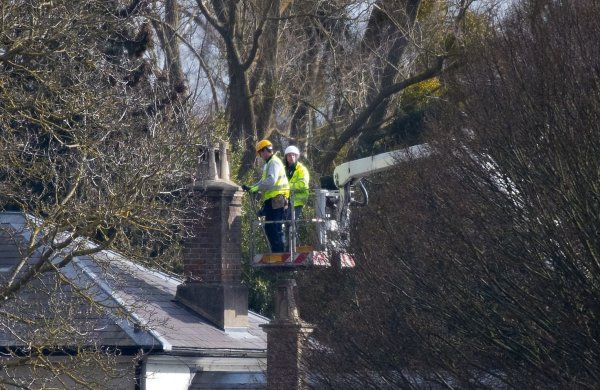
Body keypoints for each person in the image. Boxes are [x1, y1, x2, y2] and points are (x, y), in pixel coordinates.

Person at [242, 139, 289, 253]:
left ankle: (278, 253)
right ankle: (277, 252)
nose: (260, 156)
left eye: (260, 153)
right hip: (273, 200)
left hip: (277, 199)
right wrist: (252, 187)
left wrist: (256, 188)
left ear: (264, 151)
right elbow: (264, 180)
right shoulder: (270, 163)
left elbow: (271, 181)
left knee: (273, 227)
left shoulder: (273, 162)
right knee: (271, 227)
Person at [284, 145, 310, 222]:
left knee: (291, 223)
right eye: (289, 155)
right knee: (285, 223)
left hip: (298, 201)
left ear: (297, 156)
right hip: (287, 201)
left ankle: (294, 234)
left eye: (293, 155)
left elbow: (303, 185)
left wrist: (287, 186)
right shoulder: (285, 170)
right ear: (286, 157)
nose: (291, 157)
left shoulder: (302, 169)